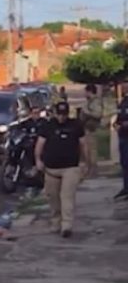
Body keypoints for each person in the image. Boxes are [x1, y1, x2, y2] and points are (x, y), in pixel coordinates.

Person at [35, 101, 88, 238]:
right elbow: (40, 144)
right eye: (59, 114)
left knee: (67, 197)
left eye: (64, 114)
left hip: (70, 167)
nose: (61, 117)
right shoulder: (47, 126)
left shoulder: (75, 125)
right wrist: (38, 160)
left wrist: (84, 162)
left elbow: (83, 144)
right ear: (54, 113)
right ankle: (56, 222)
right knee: (53, 197)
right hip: (51, 169)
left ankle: (67, 226)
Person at [82, 84, 103, 177]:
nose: (84, 94)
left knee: (92, 150)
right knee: (87, 150)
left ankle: (93, 170)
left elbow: (98, 114)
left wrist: (86, 111)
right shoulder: (89, 101)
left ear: (89, 91)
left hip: (93, 128)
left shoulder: (96, 102)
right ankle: (89, 169)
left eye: (86, 91)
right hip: (87, 127)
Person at [113, 90, 128, 201]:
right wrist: (116, 124)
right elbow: (119, 116)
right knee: (124, 163)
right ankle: (126, 188)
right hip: (122, 135)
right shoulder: (123, 101)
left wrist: (124, 125)